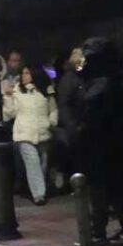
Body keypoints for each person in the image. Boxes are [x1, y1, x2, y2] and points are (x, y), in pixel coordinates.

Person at [76, 37, 123, 244]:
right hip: (113, 143)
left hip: (102, 144)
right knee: (115, 188)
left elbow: (92, 115)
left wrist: (83, 130)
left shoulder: (101, 84)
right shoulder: (112, 80)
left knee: (101, 190)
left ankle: (100, 231)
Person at [3, 64, 58, 205]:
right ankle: (39, 195)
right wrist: (8, 97)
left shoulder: (46, 91)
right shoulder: (17, 91)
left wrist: (51, 122)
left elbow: (53, 109)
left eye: (27, 73)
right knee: (32, 163)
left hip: (43, 132)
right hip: (24, 133)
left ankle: (39, 189)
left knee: (43, 165)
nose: (24, 76)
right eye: (23, 73)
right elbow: (11, 113)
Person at [55, 48, 85, 185]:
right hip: (73, 127)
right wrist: (72, 127)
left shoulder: (76, 78)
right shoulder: (70, 79)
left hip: (76, 125)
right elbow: (65, 105)